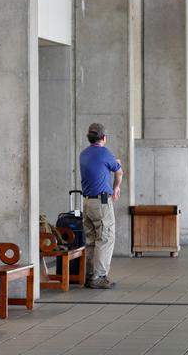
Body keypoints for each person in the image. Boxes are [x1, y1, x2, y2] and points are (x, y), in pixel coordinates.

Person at [79, 123, 123, 289]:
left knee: (91, 240)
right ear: (104, 138)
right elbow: (118, 171)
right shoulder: (105, 153)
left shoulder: (83, 154)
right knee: (105, 238)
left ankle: (89, 275)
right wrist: (116, 187)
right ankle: (99, 276)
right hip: (101, 202)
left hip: (87, 203)